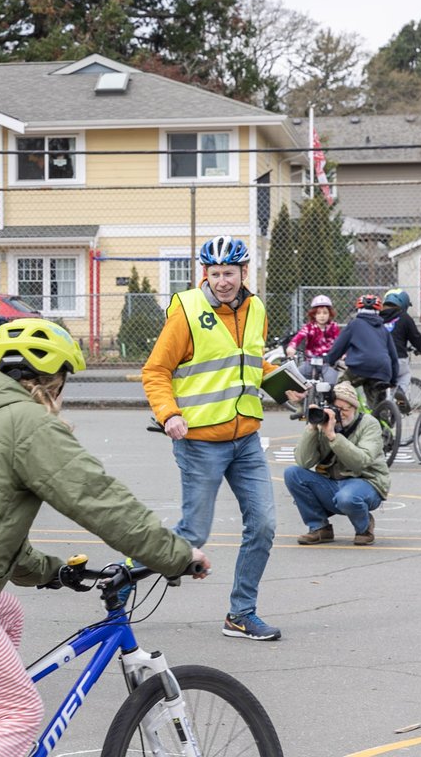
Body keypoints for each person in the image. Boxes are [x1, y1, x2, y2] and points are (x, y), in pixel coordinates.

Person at [0, 318, 208, 757]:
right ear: (51, 381)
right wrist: (176, 555)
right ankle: (1, 729)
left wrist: (54, 572)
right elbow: (98, 499)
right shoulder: (28, 422)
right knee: (21, 715)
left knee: (7, 613)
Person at [141, 235, 280, 641]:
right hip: (199, 440)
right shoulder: (187, 311)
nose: (223, 281)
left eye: (230, 273)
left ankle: (241, 614)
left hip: (246, 439)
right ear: (205, 274)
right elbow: (156, 371)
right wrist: (169, 415)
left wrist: (282, 383)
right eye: (216, 273)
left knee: (265, 524)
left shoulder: (256, 309)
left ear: (243, 273)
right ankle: (127, 575)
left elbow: (249, 364)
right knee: (193, 534)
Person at [285, 381, 389, 546]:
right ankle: (319, 528)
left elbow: (361, 462)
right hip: (333, 482)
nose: (339, 414)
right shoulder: (323, 423)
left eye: (344, 409)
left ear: (355, 409)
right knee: (292, 473)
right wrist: (312, 427)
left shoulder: (369, 424)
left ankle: (364, 527)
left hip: (366, 482)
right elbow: (304, 462)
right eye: (335, 409)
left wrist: (333, 437)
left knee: (346, 497)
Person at [325, 295, 397, 406]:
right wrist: (393, 380)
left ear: (358, 310)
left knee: (339, 392)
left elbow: (339, 346)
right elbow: (393, 356)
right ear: (378, 312)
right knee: (377, 406)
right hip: (382, 370)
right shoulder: (383, 329)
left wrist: (330, 360)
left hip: (360, 367)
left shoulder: (354, 324)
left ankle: (341, 416)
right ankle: (383, 420)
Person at [285, 295, 340, 383]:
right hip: (310, 361)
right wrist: (292, 347)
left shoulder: (333, 327)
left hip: (327, 362)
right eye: (318, 313)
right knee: (295, 380)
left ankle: (328, 395)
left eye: (325, 313)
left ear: (330, 314)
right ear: (313, 314)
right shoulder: (309, 327)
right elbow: (299, 337)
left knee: (331, 383)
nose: (322, 316)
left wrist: (343, 353)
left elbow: (339, 342)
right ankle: (303, 396)